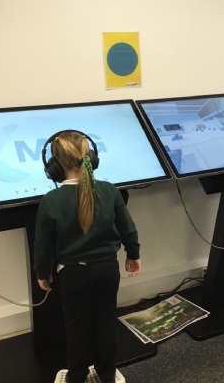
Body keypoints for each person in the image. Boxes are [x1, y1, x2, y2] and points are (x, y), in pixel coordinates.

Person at [34, 130, 141, 383]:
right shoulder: (109, 190)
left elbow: (43, 245)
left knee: (77, 328)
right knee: (106, 321)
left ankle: (77, 376)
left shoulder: (51, 200)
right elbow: (128, 228)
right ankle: (107, 373)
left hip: (73, 275)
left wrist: (42, 273)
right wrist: (133, 254)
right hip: (107, 270)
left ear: (54, 167)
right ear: (91, 158)